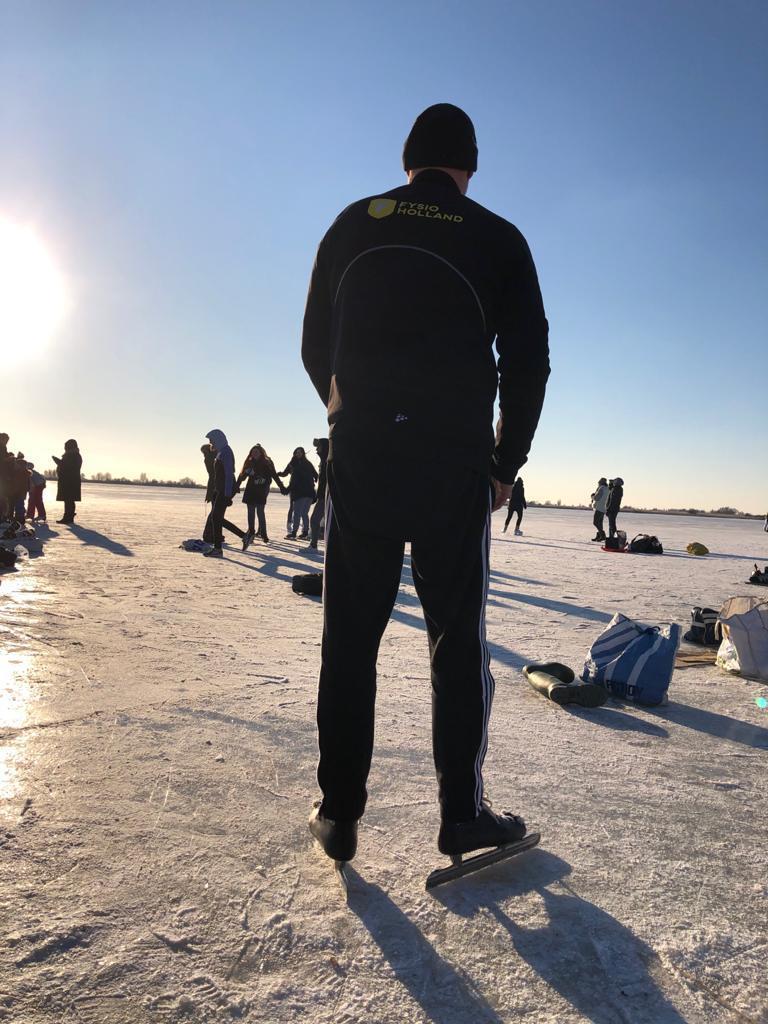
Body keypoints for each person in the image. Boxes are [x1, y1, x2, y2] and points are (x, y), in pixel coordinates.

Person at [301, 103, 550, 865]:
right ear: (468, 166)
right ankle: (460, 817)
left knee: (350, 641)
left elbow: (316, 343)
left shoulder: (353, 222)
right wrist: (505, 464)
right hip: (452, 467)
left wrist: (348, 419)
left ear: (408, 159)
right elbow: (529, 363)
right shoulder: (497, 236)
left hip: (365, 461)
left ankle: (340, 814)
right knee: (454, 643)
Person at [202, 429, 245, 557]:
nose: (210, 443)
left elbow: (228, 474)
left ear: (218, 439)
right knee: (216, 518)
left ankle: (218, 549)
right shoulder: (221, 452)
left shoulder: (226, 451)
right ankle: (244, 536)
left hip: (225, 490)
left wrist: (226, 494)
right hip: (220, 490)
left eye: (212, 440)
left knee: (216, 517)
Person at [236, 444, 285, 548]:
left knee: (260, 512)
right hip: (250, 490)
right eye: (253, 452)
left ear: (261, 453)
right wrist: (237, 485)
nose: (254, 454)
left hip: (261, 491)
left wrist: (281, 487)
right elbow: (242, 476)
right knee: (250, 512)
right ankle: (251, 533)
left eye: (256, 452)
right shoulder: (249, 462)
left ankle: (264, 533)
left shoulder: (266, 462)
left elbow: (273, 476)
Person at [278, 448, 318, 540]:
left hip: (302, 492)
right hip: (308, 492)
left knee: (297, 513)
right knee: (304, 513)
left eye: (300, 452)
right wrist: (279, 474)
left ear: (303, 453)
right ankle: (305, 532)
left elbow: (315, 474)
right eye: (296, 452)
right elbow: (285, 472)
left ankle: (294, 532)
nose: (298, 454)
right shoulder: (293, 463)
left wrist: (287, 490)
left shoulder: (304, 465)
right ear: (294, 453)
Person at [306, 437, 329, 552]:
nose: (316, 449)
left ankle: (313, 545)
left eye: (319, 447)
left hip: (327, 497)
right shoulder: (323, 460)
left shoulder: (327, 460)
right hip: (322, 496)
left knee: (315, 520)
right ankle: (313, 544)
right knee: (315, 520)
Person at [52, 439, 82, 524]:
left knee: (69, 499)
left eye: (66, 446)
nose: (65, 448)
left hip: (70, 481)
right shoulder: (72, 455)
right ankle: (68, 516)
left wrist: (58, 462)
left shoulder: (74, 455)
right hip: (68, 481)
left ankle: (68, 517)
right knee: (68, 500)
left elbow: (69, 467)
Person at [590, 477, 608, 542]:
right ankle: (599, 536)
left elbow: (597, 498)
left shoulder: (601, 488)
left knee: (595, 522)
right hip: (603, 508)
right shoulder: (607, 489)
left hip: (599, 508)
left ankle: (602, 535)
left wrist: (592, 496)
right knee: (599, 523)